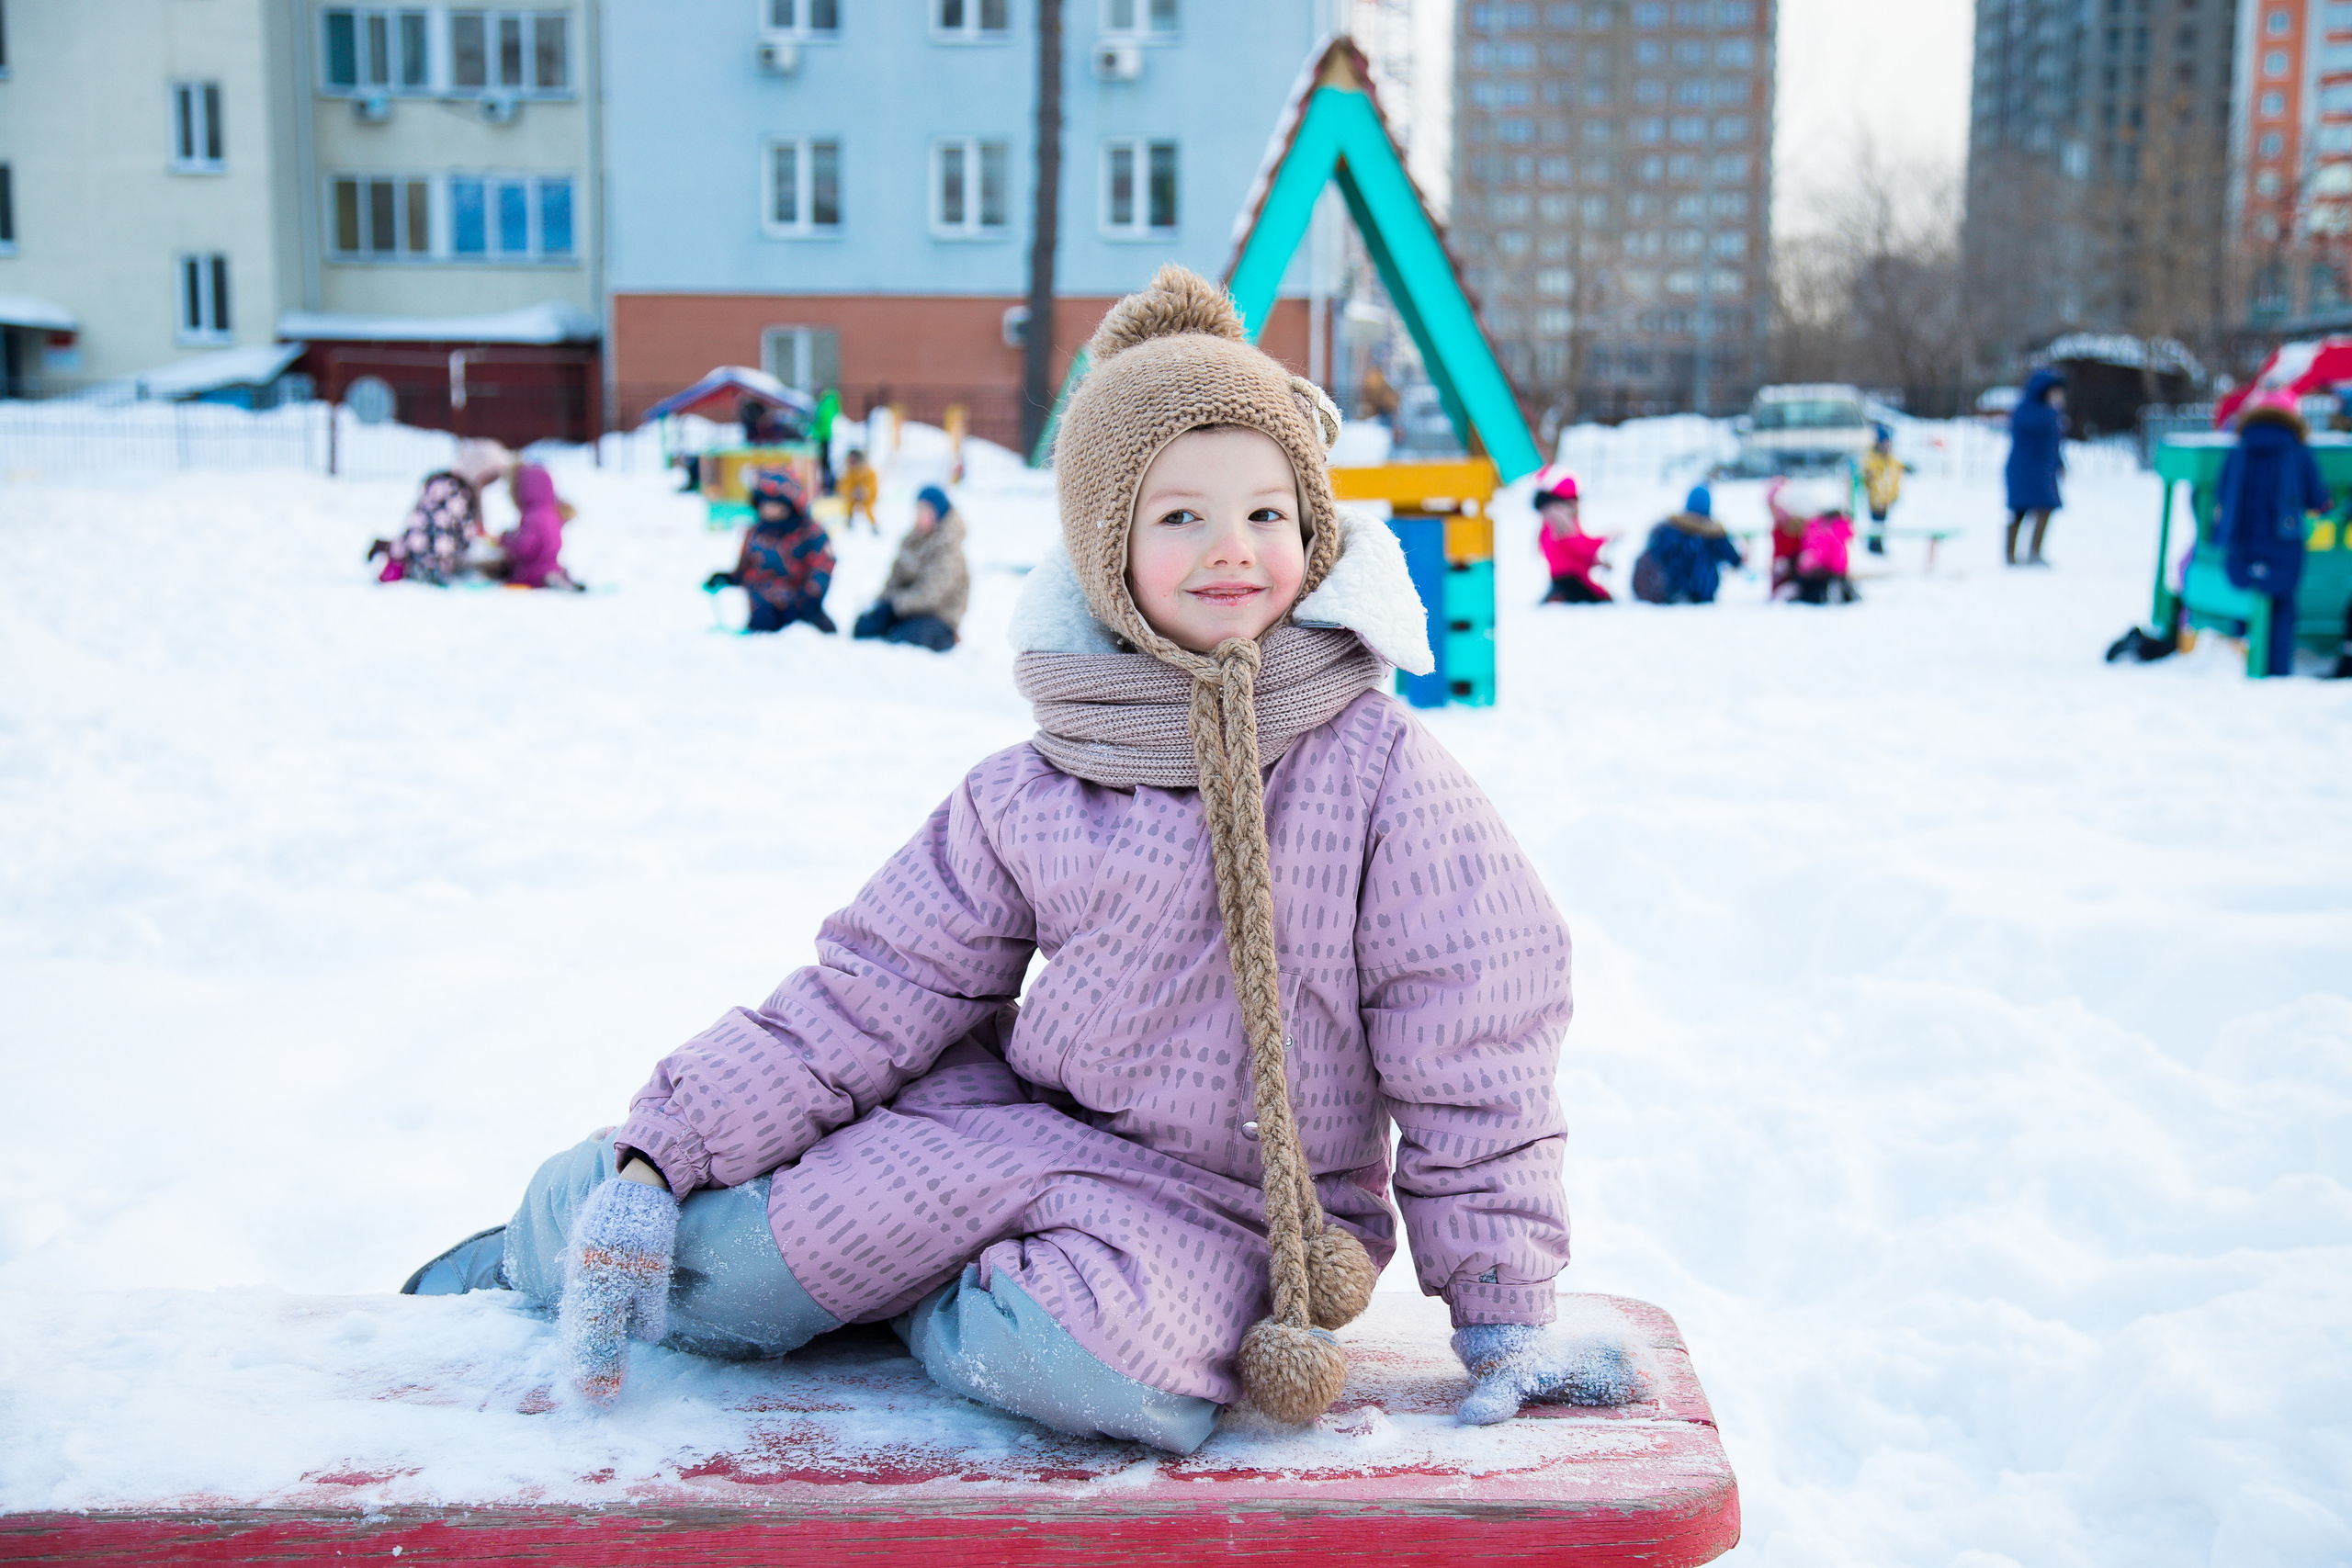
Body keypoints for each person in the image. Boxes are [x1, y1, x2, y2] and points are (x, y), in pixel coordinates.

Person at [401, 265, 1650, 1452]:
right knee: (722, 1273)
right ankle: (551, 1227)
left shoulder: (1378, 770)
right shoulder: (1038, 783)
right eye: (1182, 516)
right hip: (1003, 1137)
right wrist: (662, 1146)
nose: (1233, 547)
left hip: (1238, 1216)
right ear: (1109, 554)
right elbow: (873, 985)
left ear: (1313, 535)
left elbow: (1473, 1029)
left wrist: (1504, 1315)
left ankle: (912, 1290)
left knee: (1102, 1374)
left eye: (1268, 512)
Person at [2214, 393, 2329, 678]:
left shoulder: (2239, 449)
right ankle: (2276, 670)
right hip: (2284, 545)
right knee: (2282, 605)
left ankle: (2241, 662)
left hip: (2242, 545)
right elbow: (2318, 499)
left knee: (2244, 602)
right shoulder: (2299, 451)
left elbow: (2221, 492)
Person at [706, 469, 836, 634]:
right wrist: (727, 579)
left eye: (775, 504)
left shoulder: (809, 533)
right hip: (762, 611)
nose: (770, 510)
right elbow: (746, 569)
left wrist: (810, 599)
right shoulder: (755, 533)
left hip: (800, 607)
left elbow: (822, 568)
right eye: (765, 504)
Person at [369, 440, 510, 586]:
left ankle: (390, 549)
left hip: (421, 557)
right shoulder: (458, 493)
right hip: (435, 566)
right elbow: (459, 535)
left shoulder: (446, 485)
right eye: (489, 478)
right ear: (478, 469)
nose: (489, 484)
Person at [854, 484, 968, 652]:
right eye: (918, 510)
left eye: (926, 511)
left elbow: (931, 595)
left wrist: (896, 604)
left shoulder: (949, 549)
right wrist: (883, 604)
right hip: (906, 608)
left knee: (902, 639)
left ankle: (948, 639)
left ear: (938, 513)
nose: (920, 516)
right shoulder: (911, 540)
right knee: (865, 627)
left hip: (938, 616)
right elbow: (894, 579)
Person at [1630, 485, 1743, 604]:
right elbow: (1734, 560)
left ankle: (1680, 592)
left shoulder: (1670, 529)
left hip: (1671, 589)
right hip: (1702, 593)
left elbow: (1654, 554)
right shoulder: (1714, 534)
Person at [2005, 368, 2066, 567]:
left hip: (2042, 470)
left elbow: (2052, 443)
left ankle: (2034, 552)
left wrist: (2059, 463)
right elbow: (2037, 428)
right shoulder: (2029, 410)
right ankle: (2010, 555)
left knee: (2046, 507)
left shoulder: (2049, 412)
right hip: (2024, 470)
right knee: (2019, 511)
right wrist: (2054, 411)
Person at [1767, 479, 1860, 605]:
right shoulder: (1813, 527)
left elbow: (1824, 550)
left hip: (1822, 570)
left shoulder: (1818, 527)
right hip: (1819, 569)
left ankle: (1827, 594)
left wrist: (1811, 559)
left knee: (1814, 587)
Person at [493, 459, 582, 591]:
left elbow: (524, 547)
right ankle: (555, 578)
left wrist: (504, 540)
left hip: (531, 571)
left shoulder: (532, 516)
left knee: (509, 572)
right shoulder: (552, 512)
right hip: (552, 565)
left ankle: (548, 580)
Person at [1533, 468, 1613, 604]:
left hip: (1558, 579)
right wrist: (1606, 538)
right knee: (1606, 601)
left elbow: (1570, 552)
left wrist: (1595, 562)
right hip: (1574, 579)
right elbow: (1581, 546)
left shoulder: (1548, 521)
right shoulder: (1563, 521)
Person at [1860, 425, 1907, 556]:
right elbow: (1870, 473)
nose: (1887, 446)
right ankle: (1874, 547)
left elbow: (1896, 469)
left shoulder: (1890, 459)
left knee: (1882, 522)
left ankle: (1877, 546)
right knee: (1877, 522)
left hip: (1886, 497)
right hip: (1876, 498)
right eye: (1884, 443)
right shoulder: (1873, 458)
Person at [840, 447, 881, 534]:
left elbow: (873, 488)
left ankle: (874, 526)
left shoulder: (869, 472)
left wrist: (865, 492)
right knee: (848, 506)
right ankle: (849, 521)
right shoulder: (849, 472)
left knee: (869, 509)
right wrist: (851, 494)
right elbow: (844, 487)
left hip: (867, 497)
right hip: (853, 496)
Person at [813, 387, 842, 495]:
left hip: (826, 438)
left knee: (826, 464)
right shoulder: (829, 403)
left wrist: (814, 432)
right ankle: (829, 486)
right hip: (827, 438)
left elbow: (823, 423)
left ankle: (830, 487)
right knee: (827, 464)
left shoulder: (825, 405)